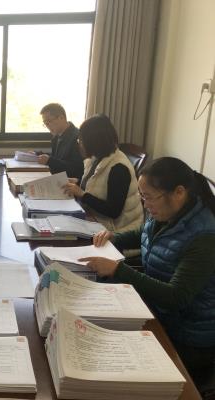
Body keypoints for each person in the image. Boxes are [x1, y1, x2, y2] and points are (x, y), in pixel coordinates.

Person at [80, 157, 215, 390]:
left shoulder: (204, 237)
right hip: (159, 315)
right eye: (142, 196)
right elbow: (144, 233)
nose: (145, 204)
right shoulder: (169, 213)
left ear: (179, 192)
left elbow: (176, 297)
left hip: (189, 338)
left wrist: (118, 269)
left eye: (149, 197)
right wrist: (114, 238)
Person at [63, 114, 144, 233]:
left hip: (117, 230)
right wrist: (77, 182)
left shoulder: (119, 168)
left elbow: (113, 211)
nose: (79, 143)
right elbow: (96, 184)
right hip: (96, 219)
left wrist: (82, 194)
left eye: (81, 140)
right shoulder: (97, 157)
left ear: (94, 141)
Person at [37, 103, 84, 181]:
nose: (47, 126)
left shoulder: (77, 138)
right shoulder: (57, 136)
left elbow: (76, 168)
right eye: (45, 123)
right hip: (57, 179)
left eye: (48, 122)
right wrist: (38, 154)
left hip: (70, 182)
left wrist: (49, 160)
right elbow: (58, 158)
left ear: (61, 118)